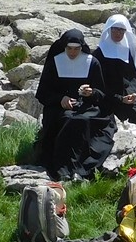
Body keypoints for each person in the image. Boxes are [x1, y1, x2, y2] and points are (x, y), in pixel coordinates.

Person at [34, 29, 115, 181]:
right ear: (64, 47)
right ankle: (64, 169)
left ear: (82, 47)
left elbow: (102, 94)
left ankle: (78, 169)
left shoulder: (92, 62)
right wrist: (60, 99)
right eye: (69, 48)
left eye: (76, 49)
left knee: (80, 120)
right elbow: (43, 93)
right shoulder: (55, 62)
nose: (72, 52)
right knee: (68, 120)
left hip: (87, 107)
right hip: (59, 108)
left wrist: (91, 93)